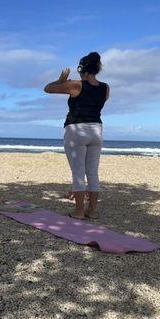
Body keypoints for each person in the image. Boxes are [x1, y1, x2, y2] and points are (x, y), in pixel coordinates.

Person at [44, 52, 110, 219]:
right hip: (96, 129)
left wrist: (61, 79)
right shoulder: (105, 87)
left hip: (76, 130)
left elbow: (48, 88)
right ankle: (92, 211)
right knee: (93, 172)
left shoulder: (75, 85)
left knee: (78, 172)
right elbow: (98, 103)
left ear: (82, 68)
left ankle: (79, 211)